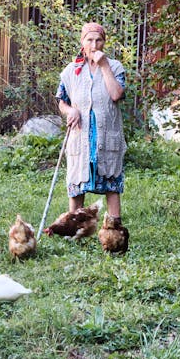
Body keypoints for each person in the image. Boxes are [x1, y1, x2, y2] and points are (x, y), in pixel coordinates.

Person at [56, 22, 127, 223]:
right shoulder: (71, 71)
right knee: (77, 183)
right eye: (89, 40)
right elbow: (62, 101)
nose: (94, 44)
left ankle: (114, 229)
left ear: (104, 43)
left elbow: (116, 94)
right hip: (81, 136)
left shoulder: (114, 67)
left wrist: (104, 65)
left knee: (111, 184)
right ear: (82, 42)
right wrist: (70, 110)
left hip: (107, 137)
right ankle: (75, 228)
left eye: (98, 40)